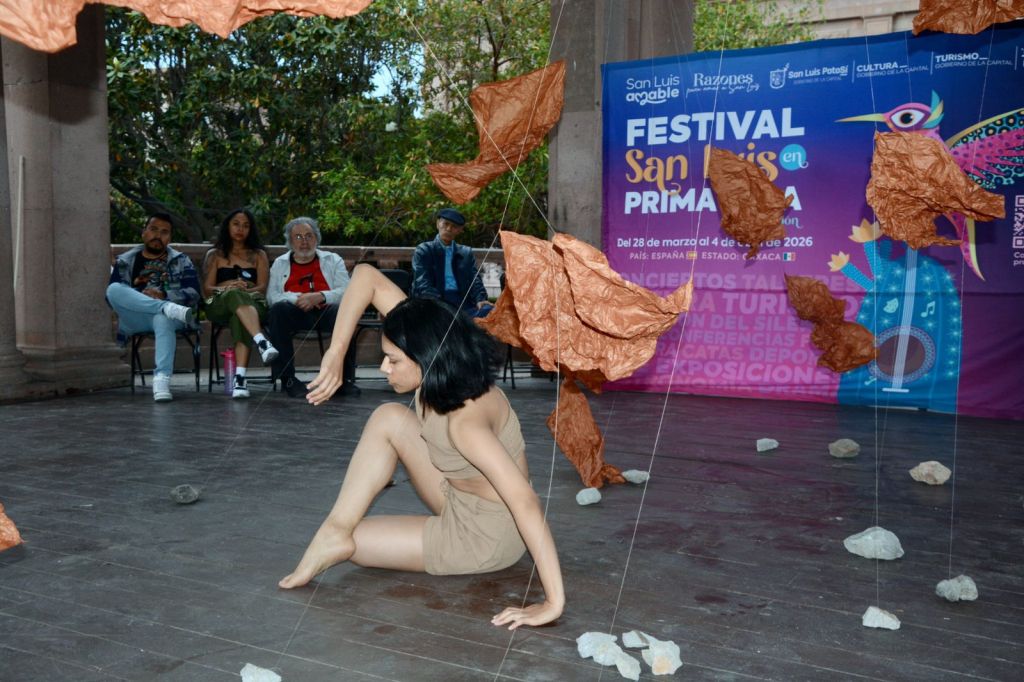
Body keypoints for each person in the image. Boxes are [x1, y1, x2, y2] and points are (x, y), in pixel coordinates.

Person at [279, 265, 564, 630]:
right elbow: (366, 276)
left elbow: (525, 500)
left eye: (393, 360)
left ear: (425, 359)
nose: (384, 367)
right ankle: (332, 530)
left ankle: (342, 535)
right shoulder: (439, 347)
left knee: (358, 542)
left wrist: (552, 602)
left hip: (483, 536)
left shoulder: (466, 425)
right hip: (458, 494)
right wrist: (336, 352)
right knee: (389, 417)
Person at [107, 212, 199, 402]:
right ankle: (165, 307)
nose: (158, 235)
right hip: (135, 317)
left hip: (172, 319)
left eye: (164, 232)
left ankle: (161, 379)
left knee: (163, 318)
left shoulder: (181, 261)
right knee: (114, 289)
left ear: (170, 238)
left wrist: (164, 294)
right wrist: (146, 299)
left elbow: (194, 293)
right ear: (144, 233)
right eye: (154, 229)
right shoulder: (125, 260)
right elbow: (113, 299)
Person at [266, 217, 359, 399]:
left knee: (346, 312)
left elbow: (348, 291)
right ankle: (288, 380)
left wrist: (320, 295)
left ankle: (343, 380)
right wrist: (298, 298)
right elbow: (272, 296)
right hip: (295, 313)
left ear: (317, 238)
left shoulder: (333, 260)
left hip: (326, 311)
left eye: (309, 236)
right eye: (298, 237)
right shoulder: (280, 263)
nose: (304, 241)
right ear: (290, 242)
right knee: (277, 311)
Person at [202, 208, 279, 399]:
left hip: (252, 302)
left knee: (240, 315)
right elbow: (208, 289)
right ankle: (261, 341)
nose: (240, 229)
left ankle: (240, 379)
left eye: (245, 225)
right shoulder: (216, 254)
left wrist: (244, 290)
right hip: (219, 304)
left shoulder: (258, 255)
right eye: (236, 224)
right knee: (233, 294)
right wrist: (228, 287)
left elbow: (261, 288)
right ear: (227, 226)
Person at [412, 208, 493, 318]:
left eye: (454, 226)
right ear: (438, 224)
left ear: (460, 230)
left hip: (462, 301)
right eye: (445, 224)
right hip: (436, 301)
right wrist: (440, 305)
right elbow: (422, 284)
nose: (449, 229)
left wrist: (481, 299)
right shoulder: (424, 250)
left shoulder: (466, 252)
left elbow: (475, 280)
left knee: (489, 310)